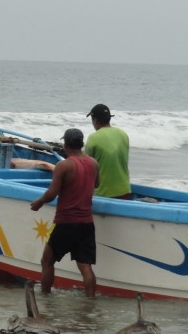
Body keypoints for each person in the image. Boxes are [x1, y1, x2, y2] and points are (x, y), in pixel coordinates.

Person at [30, 128, 99, 297]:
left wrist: (39, 202)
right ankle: (90, 301)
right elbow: (96, 184)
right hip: (86, 224)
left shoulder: (63, 165)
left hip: (66, 223)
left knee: (47, 260)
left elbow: (52, 193)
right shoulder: (93, 163)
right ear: (81, 144)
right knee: (85, 266)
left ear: (66, 144)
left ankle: (45, 297)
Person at [85, 103, 131, 199]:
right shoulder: (123, 135)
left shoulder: (93, 138)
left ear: (95, 120)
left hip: (103, 194)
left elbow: (85, 166)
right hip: (125, 191)